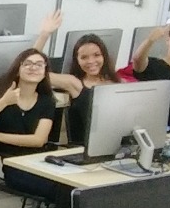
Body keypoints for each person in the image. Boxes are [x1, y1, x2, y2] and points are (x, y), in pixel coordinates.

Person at [0, 47, 62, 205]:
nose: (33, 67)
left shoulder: (46, 101)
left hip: (40, 163)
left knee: (72, 189)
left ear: (45, 72)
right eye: (28, 64)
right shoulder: (2, 97)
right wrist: (4, 102)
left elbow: (38, 140)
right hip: (14, 168)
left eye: (39, 65)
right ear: (18, 70)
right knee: (62, 191)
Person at [35, 12, 123, 143]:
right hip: (84, 148)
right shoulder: (75, 83)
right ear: (77, 60)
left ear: (104, 56)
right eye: (84, 57)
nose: (91, 61)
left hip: (114, 145)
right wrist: (44, 34)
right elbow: (35, 70)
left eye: (96, 55)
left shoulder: (117, 83)